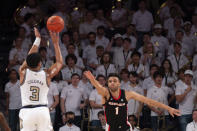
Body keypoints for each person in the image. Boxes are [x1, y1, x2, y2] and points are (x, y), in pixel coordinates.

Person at [84, 71, 180, 131]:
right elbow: (97, 85)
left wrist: (168, 108)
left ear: (119, 83)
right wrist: (92, 79)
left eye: (114, 81)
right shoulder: (105, 92)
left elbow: (148, 101)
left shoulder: (128, 94)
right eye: (110, 81)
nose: (112, 83)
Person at [18, 27, 63, 131]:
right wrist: (56, 44)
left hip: (27, 111)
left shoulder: (22, 72)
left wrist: (37, 40)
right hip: (42, 110)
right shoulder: (46, 74)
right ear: (40, 63)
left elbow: (29, 58)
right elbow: (60, 63)